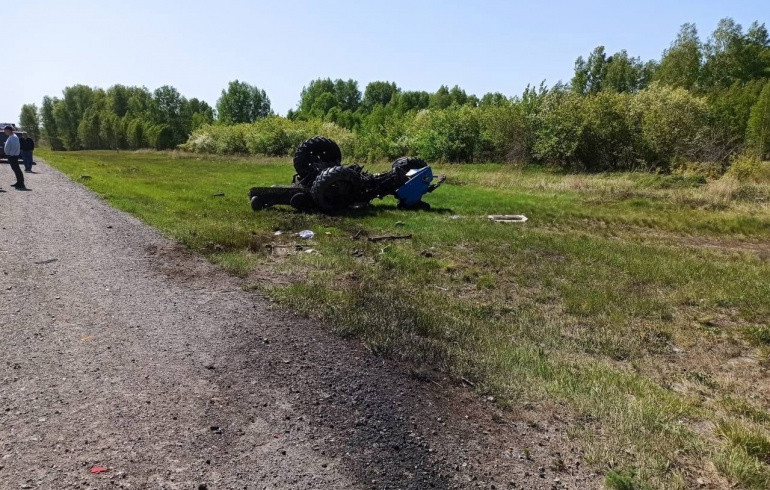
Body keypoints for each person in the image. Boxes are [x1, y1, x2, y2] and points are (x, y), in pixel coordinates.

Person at [3, 125, 25, 190]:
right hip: (12, 155)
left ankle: (21, 183)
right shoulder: (11, 136)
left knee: (17, 169)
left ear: (9, 130)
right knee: (15, 169)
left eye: (5, 130)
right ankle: (18, 182)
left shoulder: (13, 137)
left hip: (13, 156)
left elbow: (15, 147)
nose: (4, 132)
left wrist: (11, 154)